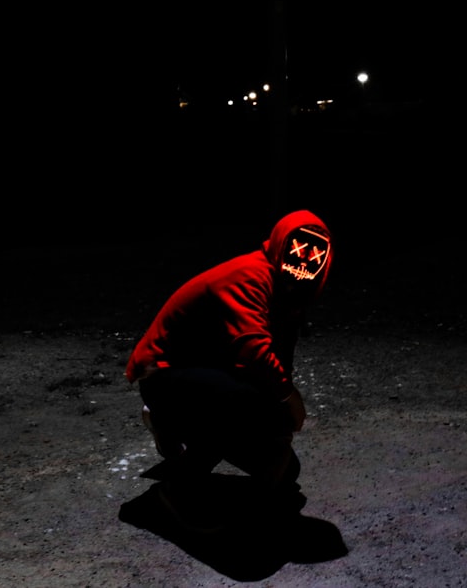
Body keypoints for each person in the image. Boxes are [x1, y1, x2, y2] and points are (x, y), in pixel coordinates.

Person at [125, 209, 333, 530]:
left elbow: (279, 358)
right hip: (163, 372)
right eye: (295, 253)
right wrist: (289, 398)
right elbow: (253, 350)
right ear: (280, 245)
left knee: (283, 467)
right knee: (251, 407)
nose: (302, 267)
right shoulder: (251, 274)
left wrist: (280, 433)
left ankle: (170, 425)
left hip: (206, 373)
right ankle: (176, 491)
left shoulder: (286, 293)